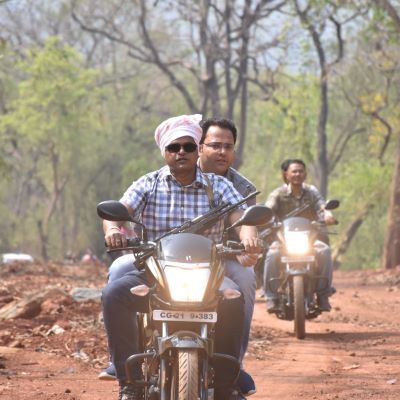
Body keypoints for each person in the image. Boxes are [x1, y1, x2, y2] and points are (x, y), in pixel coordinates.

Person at [101, 114, 261, 400]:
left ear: (197, 150)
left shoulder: (218, 186)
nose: (181, 152)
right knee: (114, 293)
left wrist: (249, 235)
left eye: (188, 146)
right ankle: (129, 381)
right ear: (164, 152)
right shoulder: (148, 184)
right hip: (155, 271)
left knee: (234, 298)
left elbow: (241, 216)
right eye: (174, 147)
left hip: (208, 274)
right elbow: (119, 211)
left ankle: (226, 385)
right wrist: (113, 229)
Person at [198, 117, 258, 397]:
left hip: (224, 258)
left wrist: (249, 248)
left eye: (228, 146)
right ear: (200, 147)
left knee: (245, 279)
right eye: (215, 145)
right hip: (176, 258)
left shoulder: (244, 189)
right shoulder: (181, 176)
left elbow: (248, 226)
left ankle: (234, 364)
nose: (222, 152)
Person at [263, 159, 336, 312]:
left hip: (310, 239)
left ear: (305, 174)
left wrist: (328, 215)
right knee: (272, 254)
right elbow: (268, 209)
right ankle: (271, 296)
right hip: (284, 241)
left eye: (301, 171)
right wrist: (266, 219)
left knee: (324, 251)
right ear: (286, 174)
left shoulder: (311, 192)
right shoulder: (278, 193)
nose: (297, 174)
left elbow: (322, 206)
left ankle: (323, 295)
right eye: (294, 171)